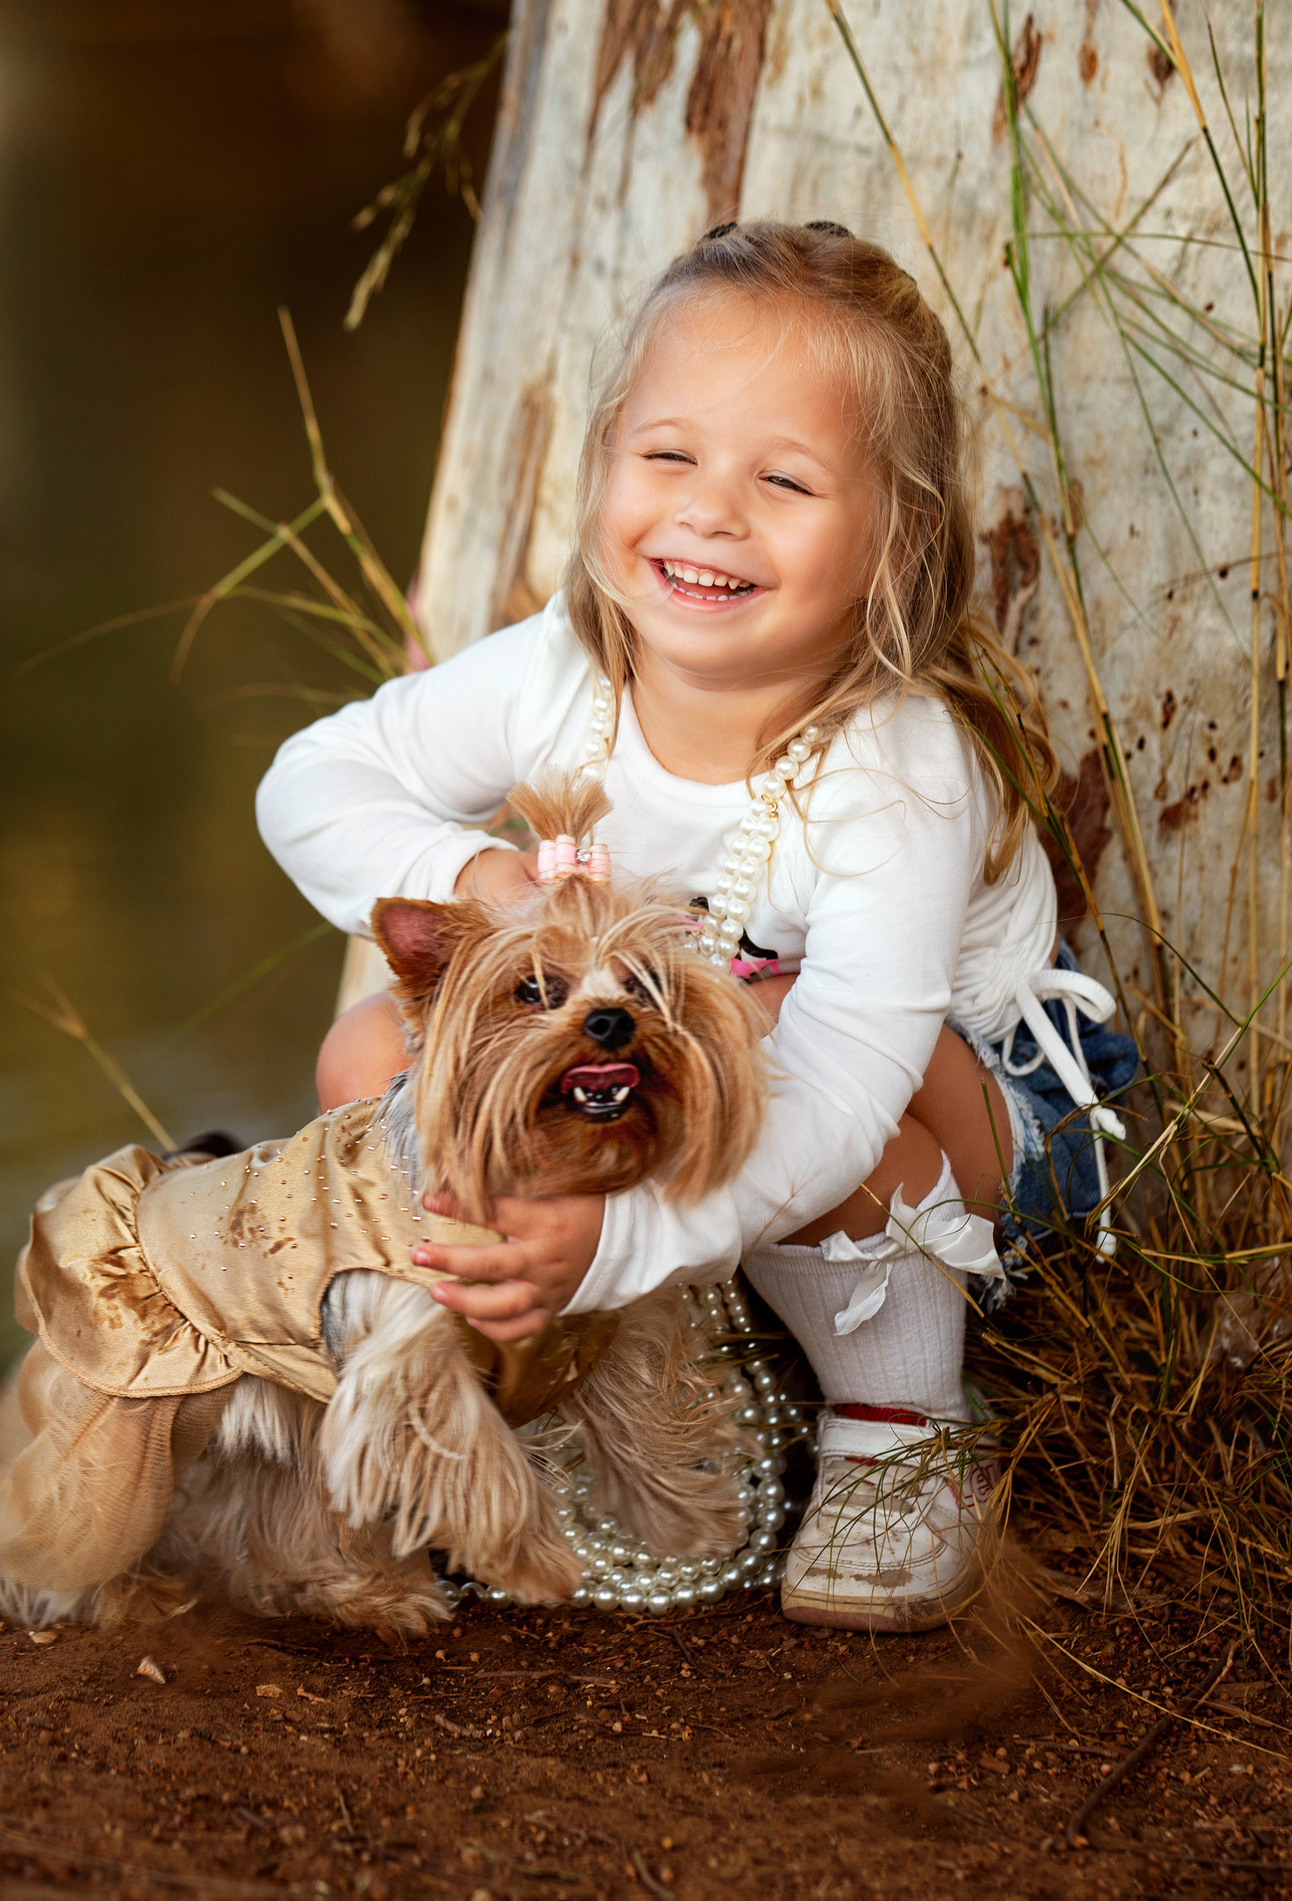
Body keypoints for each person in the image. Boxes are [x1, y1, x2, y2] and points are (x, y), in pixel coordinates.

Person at [254, 219, 1135, 1632]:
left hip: (956, 1122)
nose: (710, 514)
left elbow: (848, 1086)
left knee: (767, 1022)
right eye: (667, 458)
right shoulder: (561, 673)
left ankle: (903, 1421)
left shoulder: (894, 765)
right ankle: (534, 1383)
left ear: (896, 535)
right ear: (604, 460)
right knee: (377, 1056)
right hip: (679, 1083)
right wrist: (486, 890)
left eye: (783, 480)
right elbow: (310, 782)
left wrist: (607, 1242)